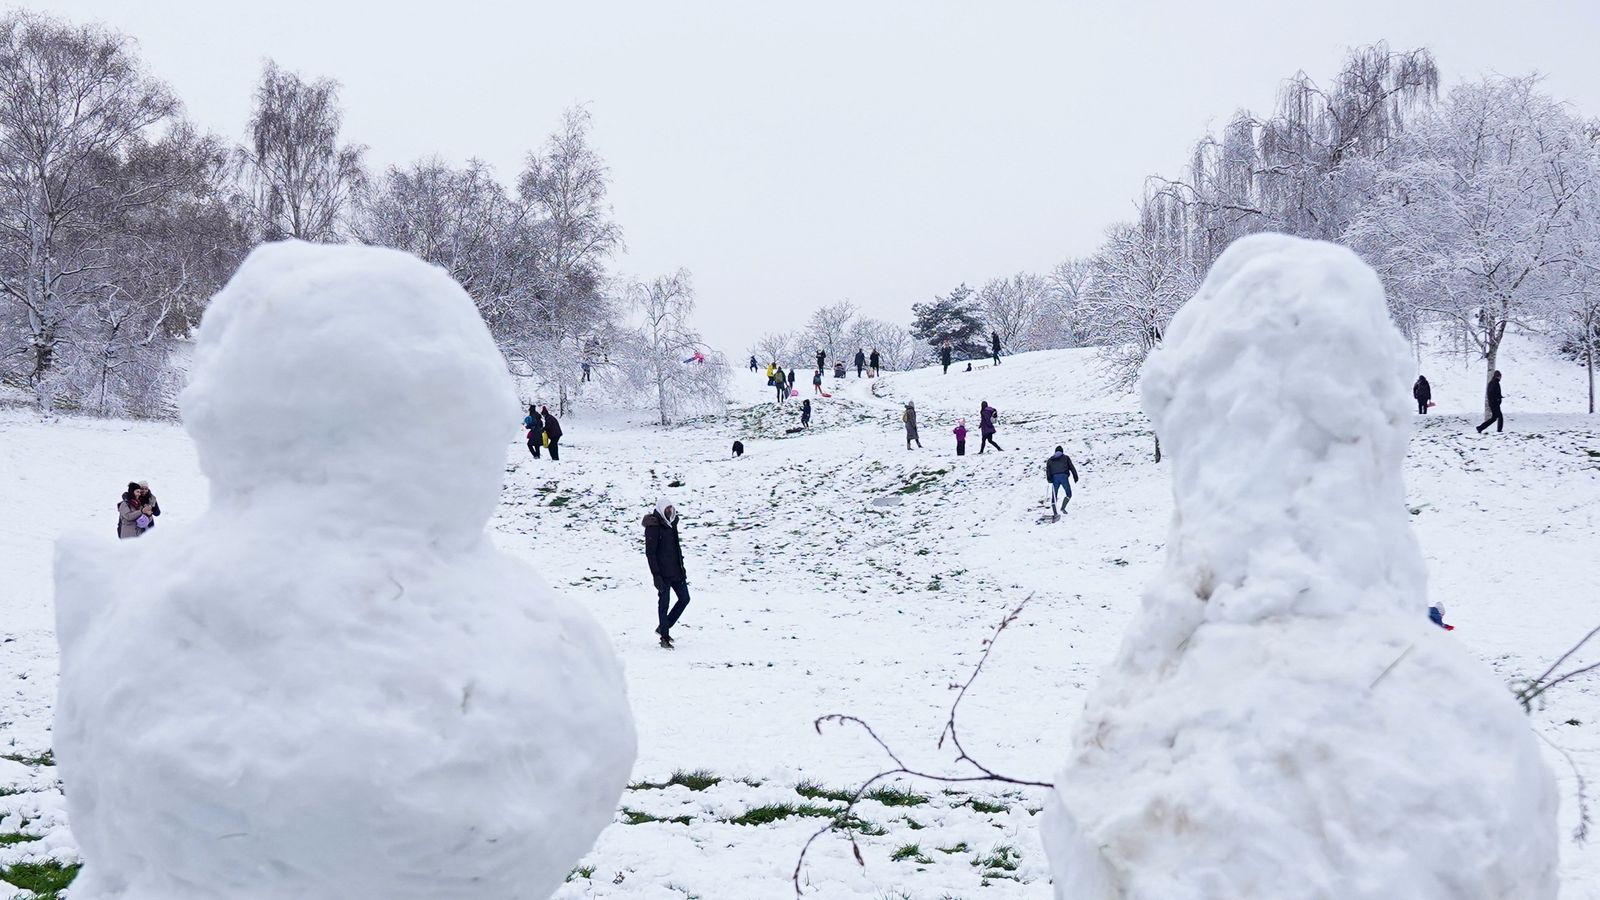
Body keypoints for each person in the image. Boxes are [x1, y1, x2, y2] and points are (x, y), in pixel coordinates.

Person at [643, 499, 691, 649]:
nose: (670, 511)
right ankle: (664, 637)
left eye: (671, 508)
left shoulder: (672, 524)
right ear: (661, 509)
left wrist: (681, 568)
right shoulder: (653, 527)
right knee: (664, 604)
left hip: (676, 571)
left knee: (685, 598)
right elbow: (650, 553)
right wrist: (656, 575)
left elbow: (676, 548)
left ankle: (664, 626)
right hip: (663, 574)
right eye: (667, 509)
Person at [1045, 446, 1080, 516]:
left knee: (1054, 495)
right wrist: (1075, 477)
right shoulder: (1066, 458)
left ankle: (1055, 513)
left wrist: (1049, 479)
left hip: (1055, 478)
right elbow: (1072, 467)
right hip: (1064, 477)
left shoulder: (1050, 460)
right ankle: (1063, 508)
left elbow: (1048, 470)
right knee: (1068, 494)